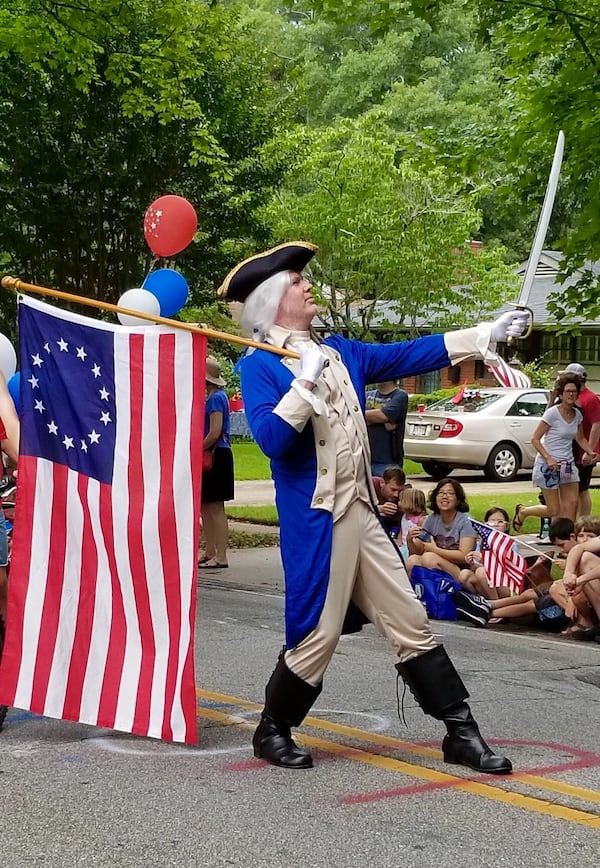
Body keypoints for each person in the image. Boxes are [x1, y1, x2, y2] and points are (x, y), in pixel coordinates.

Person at [218, 241, 528, 773]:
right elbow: (270, 439)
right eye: (297, 280)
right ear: (271, 300)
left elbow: (411, 353)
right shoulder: (263, 366)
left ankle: (460, 731)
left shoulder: (341, 351)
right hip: (318, 519)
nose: (308, 285)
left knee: (410, 618)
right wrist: (305, 380)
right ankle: (273, 729)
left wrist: (482, 336)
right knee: (319, 633)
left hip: (361, 511)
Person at [512, 372, 599, 529]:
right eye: (568, 391)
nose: (571, 394)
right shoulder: (552, 413)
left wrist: (590, 451)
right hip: (548, 465)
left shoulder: (577, 415)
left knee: (572, 503)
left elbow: (580, 439)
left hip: (567, 465)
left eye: (574, 391)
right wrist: (548, 458)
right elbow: (535, 439)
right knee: (554, 510)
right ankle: (524, 511)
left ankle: (567, 539)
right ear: (561, 393)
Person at [405, 478, 482, 591]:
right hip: (438, 563)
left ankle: (442, 597)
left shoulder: (466, 521)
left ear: (458, 499)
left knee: (429, 557)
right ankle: (416, 598)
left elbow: (464, 556)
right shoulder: (431, 519)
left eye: (450, 493)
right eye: (440, 493)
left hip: (462, 571)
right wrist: (409, 540)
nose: (444, 496)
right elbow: (418, 551)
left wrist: (434, 550)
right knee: (413, 560)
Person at [198, 357, 234, 570]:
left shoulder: (215, 399)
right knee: (205, 506)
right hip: (214, 454)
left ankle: (220, 554)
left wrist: (197, 448)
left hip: (216, 455)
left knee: (215, 508)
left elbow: (215, 431)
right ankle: (210, 551)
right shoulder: (216, 397)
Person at [556, 364, 600, 517]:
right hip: (570, 452)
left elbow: (596, 425)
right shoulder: (573, 398)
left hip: (583, 453)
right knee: (569, 489)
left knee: (582, 489)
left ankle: (584, 522)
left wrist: (590, 451)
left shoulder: (590, 398)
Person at [365, 380, 408, 476]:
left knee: (388, 490)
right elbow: (352, 413)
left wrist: (380, 417)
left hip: (388, 461)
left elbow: (383, 416)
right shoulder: (367, 395)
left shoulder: (400, 395)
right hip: (365, 458)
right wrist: (378, 419)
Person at [372, 465, 408, 535]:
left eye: (399, 490)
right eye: (393, 490)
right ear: (382, 483)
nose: (396, 495)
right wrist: (378, 509)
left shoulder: (406, 493)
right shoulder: (370, 485)